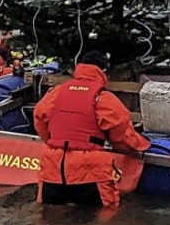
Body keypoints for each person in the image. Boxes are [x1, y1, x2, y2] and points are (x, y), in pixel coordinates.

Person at [33, 51, 151, 209]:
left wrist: (54, 143)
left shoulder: (56, 92)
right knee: (105, 219)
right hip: (90, 171)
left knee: (50, 220)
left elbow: (39, 117)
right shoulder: (103, 98)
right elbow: (122, 137)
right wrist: (143, 145)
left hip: (53, 167)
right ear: (103, 72)